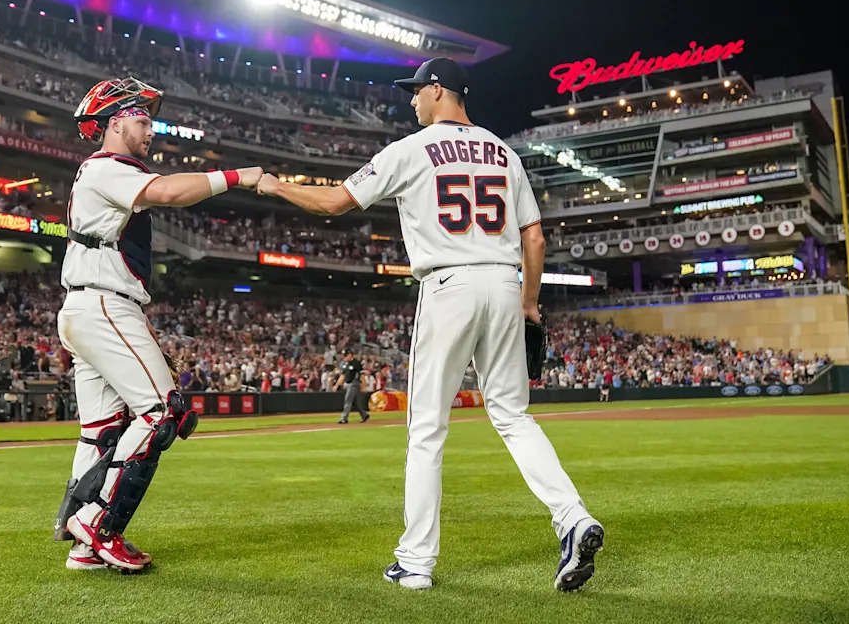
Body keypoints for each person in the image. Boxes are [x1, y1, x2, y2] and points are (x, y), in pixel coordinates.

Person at [256, 58, 604, 592]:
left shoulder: (411, 149)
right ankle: (573, 517)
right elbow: (534, 238)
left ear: (438, 90)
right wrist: (530, 304)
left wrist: (275, 186)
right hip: (504, 282)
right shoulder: (504, 151)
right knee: (514, 417)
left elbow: (333, 202)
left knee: (426, 430)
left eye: (416, 91)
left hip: (448, 284)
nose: (411, 100)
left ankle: (416, 562)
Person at [52, 77, 263, 573]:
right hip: (104, 305)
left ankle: (83, 543)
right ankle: (97, 524)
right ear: (115, 122)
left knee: (101, 431)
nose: (151, 131)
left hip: (92, 305)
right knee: (163, 413)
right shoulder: (107, 166)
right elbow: (167, 191)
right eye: (143, 120)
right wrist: (238, 176)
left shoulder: (101, 172)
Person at [334, 349, 369, 424]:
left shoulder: (356, 363)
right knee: (353, 402)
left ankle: (344, 418)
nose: (344, 357)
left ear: (350, 355)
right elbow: (343, 375)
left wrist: (364, 386)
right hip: (348, 384)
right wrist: (337, 385)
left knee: (348, 399)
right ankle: (364, 415)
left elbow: (362, 375)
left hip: (354, 383)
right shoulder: (346, 364)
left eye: (345, 356)